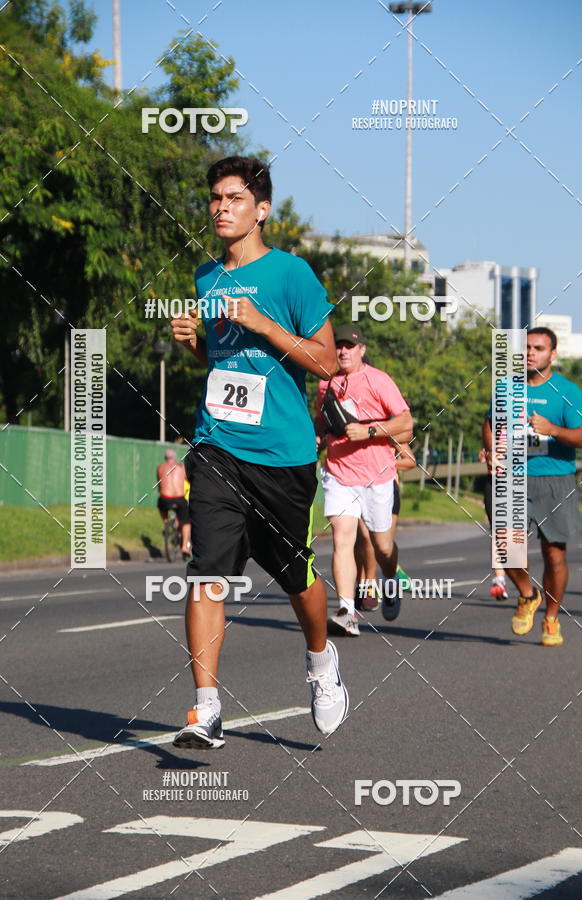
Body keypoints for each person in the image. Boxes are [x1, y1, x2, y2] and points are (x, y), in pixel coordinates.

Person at [169, 156, 348, 748]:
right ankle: (205, 708)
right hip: (218, 443)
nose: (221, 208)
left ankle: (322, 663)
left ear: (261, 210)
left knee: (295, 575)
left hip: (283, 453)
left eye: (233, 199)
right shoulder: (204, 276)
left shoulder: (292, 275)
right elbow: (220, 367)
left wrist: (266, 324)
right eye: (215, 199)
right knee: (207, 572)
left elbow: (324, 362)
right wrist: (196, 345)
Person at [482, 327, 582, 647]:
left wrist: (553, 429)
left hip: (555, 478)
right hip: (513, 477)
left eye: (539, 348)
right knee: (505, 546)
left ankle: (552, 617)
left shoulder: (568, 391)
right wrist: (491, 449)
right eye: (527, 347)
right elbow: (490, 426)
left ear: (552, 354)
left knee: (554, 555)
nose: (531, 353)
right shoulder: (506, 388)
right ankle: (529, 595)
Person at [315, 325, 414, 636]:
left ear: (361, 350)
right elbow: (323, 419)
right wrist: (315, 439)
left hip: (377, 476)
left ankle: (390, 580)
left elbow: (405, 421)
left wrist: (370, 431)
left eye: (349, 346)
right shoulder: (325, 383)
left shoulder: (378, 380)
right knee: (342, 539)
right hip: (339, 473)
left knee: (383, 547)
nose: (343, 351)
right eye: (339, 346)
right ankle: (347, 611)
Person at [355, 445, 417, 611]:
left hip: (387, 489)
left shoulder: (387, 428)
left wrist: (386, 464)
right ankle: (368, 586)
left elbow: (410, 461)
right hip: (359, 486)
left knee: (384, 546)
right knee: (364, 538)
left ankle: (391, 581)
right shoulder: (352, 427)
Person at [477, 446, 509, 601]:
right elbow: (483, 457)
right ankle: (499, 580)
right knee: (496, 532)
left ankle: (522, 581)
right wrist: (485, 454)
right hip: (493, 482)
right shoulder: (491, 432)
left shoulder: (524, 426)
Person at [156, 449, 191, 558]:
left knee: (160, 506)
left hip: (165, 498)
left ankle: (166, 522)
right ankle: (185, 546)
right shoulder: (181, 468)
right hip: (179, 499)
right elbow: (189, 480)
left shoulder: (160, 468)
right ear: (175, 458)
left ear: (165, 458)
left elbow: (159, 485)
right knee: (186, 522)